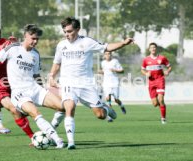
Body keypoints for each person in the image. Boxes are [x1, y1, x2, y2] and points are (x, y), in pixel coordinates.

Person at [0, 24, 65, 149]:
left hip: (35, 89)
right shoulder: (13, 48)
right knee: (35, 113)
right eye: (32, 38)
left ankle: (49, 134)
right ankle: (57, 140)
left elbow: (36, 74)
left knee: (63, 107)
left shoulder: (36, 54)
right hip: (19, 93)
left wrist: (42, 88)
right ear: (25, 36)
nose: (35, 41)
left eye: (37, 39)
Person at [49, 17, 134, 149]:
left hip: (86, 85)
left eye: (70, 31)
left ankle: (106, 108)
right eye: (65, 31)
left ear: (77, 29)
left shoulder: (87, 42)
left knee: (100, 115)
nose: (67, 34)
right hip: (67, 83)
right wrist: (51, 76)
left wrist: (124, 43)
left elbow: (107, 47)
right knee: (69, 108)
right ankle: (71, 142)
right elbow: (57, 62)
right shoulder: (61, 45)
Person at [141, 42, 171, 124]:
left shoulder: (162, 58)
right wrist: (146, 73)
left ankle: (163, 118)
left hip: (160, 80)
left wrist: (167, 71)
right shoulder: (146, 59)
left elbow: (169, 67)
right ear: (149, 49)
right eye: (151, 47)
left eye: (154, 47)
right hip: (151, 82)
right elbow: (142, 69)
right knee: (155, 104)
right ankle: (162, 106)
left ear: (156, 48)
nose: (153, 49)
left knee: (161, 99)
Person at [99, 51, 126, 118]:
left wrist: (115, 70)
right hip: (106, 83)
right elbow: (104, 71)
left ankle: (121, 106)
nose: (108, 55)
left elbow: (122, 70)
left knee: (116, 99)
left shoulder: (115, 61)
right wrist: (101, 72)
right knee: (108, 99)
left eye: (109, 54)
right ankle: (110, 116)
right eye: (106, 54)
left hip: (115, 83)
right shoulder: (103, 63)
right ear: (104, 55)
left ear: (111, 55)